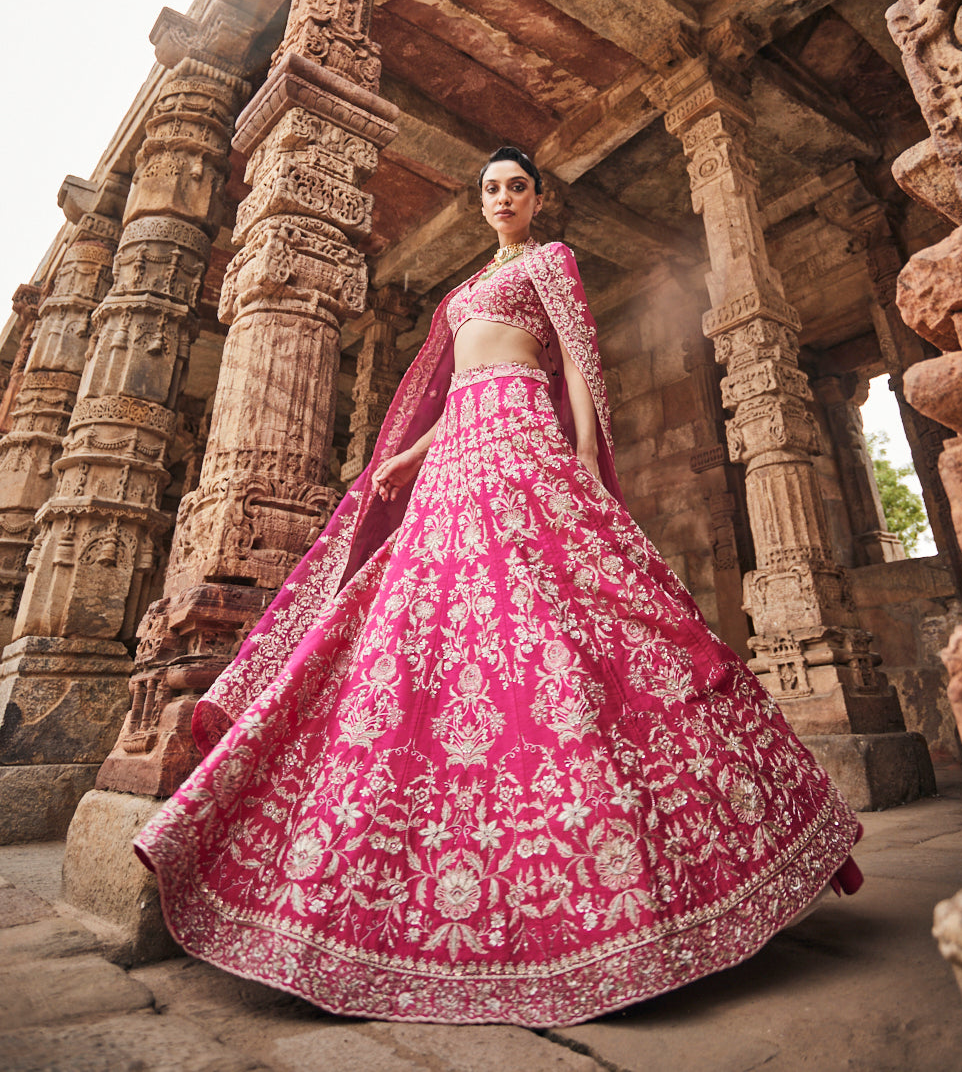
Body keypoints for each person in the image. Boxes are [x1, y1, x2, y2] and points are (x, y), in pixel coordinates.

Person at [135, 145, 862, 1027]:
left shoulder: (550, 264)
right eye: (491, 188)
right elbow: (452, 390)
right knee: (425, 626)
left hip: (522, 433)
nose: (503, 197)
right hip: (456, 453)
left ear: (537, 198)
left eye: (516, 185)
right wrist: (402, 456)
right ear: (480, 201)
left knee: (552, 613)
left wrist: (587, 462)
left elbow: (578, 365)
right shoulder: (468, 285)